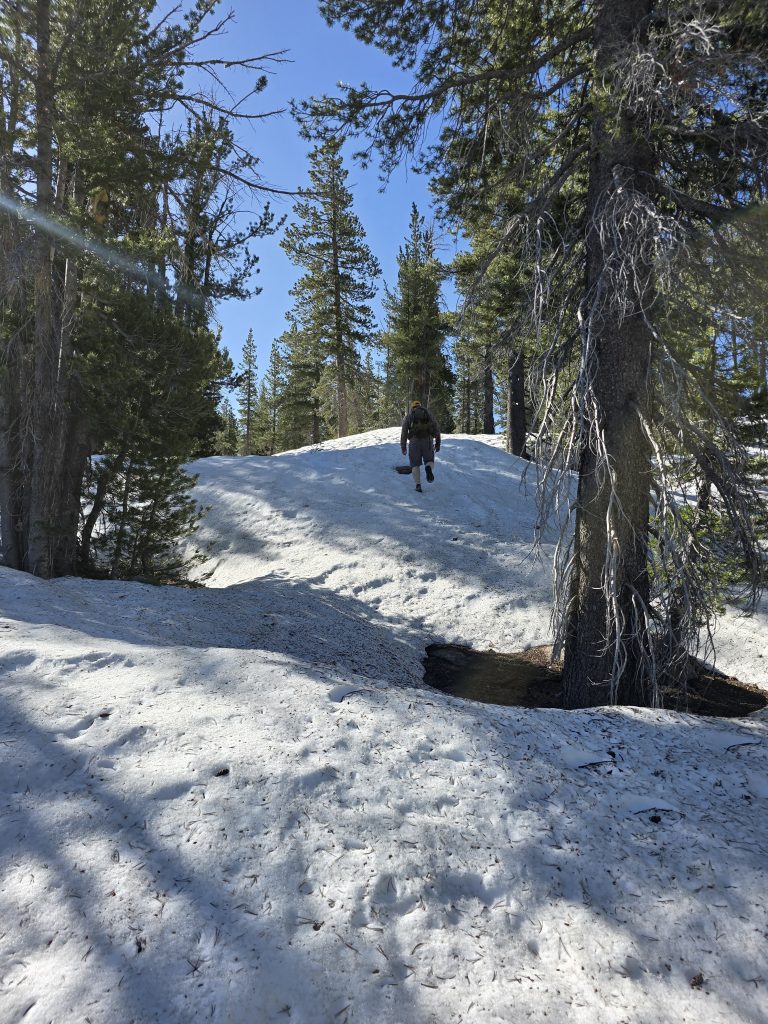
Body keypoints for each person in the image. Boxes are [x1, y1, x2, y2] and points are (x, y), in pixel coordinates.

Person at [400, 400, 441, 492]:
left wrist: (403, 447)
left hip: (414, 442)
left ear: (412, 407)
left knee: (415, 464)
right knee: (429, 461)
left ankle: (418, 485)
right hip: (428, 440)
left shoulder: (409, 416)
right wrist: (438, 443)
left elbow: (404, 432)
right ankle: (428, 468)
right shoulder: (428, 414)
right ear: (420, 406)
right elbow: (437, 429)